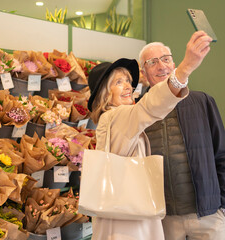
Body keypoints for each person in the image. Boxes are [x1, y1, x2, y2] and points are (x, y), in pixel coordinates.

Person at [87, 31, 212, 240]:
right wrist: (185, 68)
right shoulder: (116, 117)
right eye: (118, 82)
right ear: (105, 94)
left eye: (128, 81)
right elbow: (150, 106)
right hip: (127, 224)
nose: (128, 86)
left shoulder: (110, 120)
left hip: (122, 215)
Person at [138, 33, 225, 240]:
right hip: (164, 218)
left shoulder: (202, 101)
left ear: (174, 64)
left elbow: (222, 153)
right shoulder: (138, 111)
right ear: (143, 72)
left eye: (165, 59)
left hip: (208, 214)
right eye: (152, 62)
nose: (161, 66)